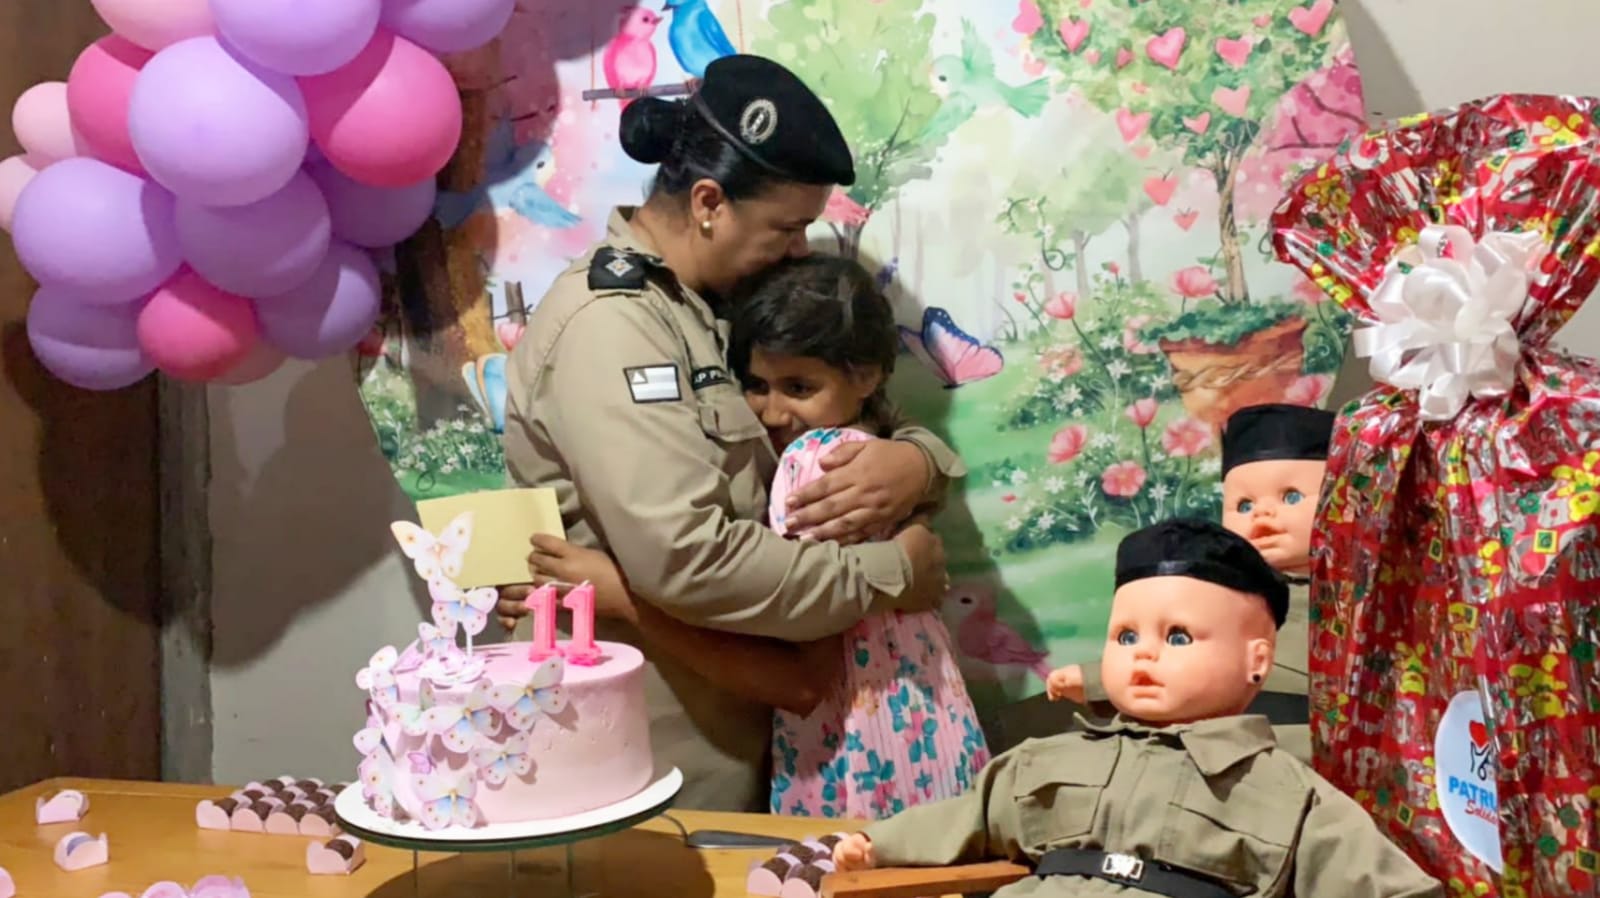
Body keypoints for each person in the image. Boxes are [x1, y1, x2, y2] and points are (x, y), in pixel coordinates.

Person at [498, 54, 964, 811]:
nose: (800, 249)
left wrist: (916, 463)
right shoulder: (615, 326)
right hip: (659, 760)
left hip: (765, 738)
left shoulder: (714, 305)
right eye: (787, 227)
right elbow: (689, 558)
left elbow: (842, 416)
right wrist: (889, 572)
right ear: (710, 203)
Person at [517, 255, 989, 821]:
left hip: (858, 763)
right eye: (755, 386)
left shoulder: (814, 469)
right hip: (932, 736)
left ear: (866, 376)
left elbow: (801, 684)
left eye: (799, 387)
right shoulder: (878, 455)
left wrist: (619, 595)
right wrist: (922, 461)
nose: (771, 412)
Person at [830, 518, 1444, 898]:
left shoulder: (1288, 793)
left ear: (1255, 660)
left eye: (1178, 637)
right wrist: (878, 843)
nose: (1143, 654)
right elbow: (971, 815)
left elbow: (1387, 887)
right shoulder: (1047, 758)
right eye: (1125, 636)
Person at [1044, 403, 1333, 764]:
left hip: (1307, 746)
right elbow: (1158, 645)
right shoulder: (1221, 591)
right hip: (1213, 736)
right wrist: (1094, 678)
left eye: (1291, 497)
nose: (1262, 513)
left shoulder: (1354, 595)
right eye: (1244, 505)